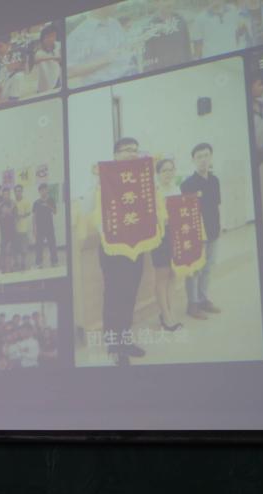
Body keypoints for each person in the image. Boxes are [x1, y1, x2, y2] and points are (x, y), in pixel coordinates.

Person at [98, 137, 147, 365]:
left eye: (135, 150)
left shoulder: (140, 180)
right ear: (116, 155)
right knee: (114, 296)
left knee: (130, 295)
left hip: (135, 247)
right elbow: (90, 210)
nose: (132, 154)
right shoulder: (103, 177)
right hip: (112, 248)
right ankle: (114, 347)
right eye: (127, 150)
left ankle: (125, 341)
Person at [180, 143, 221, 320]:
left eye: (206, 155)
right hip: (196, 233)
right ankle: (193, 304)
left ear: (211, 157)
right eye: (199, 157)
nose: (203, 160)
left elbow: (216, 206)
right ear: (193, 160)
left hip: (213, 231)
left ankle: (203, 299)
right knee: (195, 269)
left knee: (208, 268)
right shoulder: (187, 184)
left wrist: (219, 228)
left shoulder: (215, 180)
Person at [66, 6, 135, 87]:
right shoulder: (79, 34)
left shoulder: (115, 23)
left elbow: (123, 47)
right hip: (103, 87)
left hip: (129, 75)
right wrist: (104, 60)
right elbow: (69, 72)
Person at [150, 159, 183, 331]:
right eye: (164, 170)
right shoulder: (154, 192)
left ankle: (170, 311)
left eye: (171, 169)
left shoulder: (177, 189)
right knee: (162, 276)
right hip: (160, 237)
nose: (168, 173)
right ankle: (165, 315)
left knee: (173, 274)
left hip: (176, 235)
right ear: (157, 174)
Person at [141, 0, 192, 72]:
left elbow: (187, 48)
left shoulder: (181, 21)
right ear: (156, 3)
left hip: (183, 69)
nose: (169, 3)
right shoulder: (149, 28)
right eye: (165, 1)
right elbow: (148, 59)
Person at [33, 183, 58, 267]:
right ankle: (39, 263)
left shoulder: (51, 200)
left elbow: (55, 212)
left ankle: (54, 261)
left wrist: (48, 205)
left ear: (47, 190)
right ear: (39, 191)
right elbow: (34, 216)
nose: (43, 191)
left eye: (45, 189)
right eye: (41, 190)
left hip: (49, 226)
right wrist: (34, 228)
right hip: (40, 227)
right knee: (39, 246)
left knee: (52, 244)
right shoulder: (36, 202)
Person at [33, 24, 62, 93]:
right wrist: (52, 57)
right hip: (44, 85)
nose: (52, 39)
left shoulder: (58, 45)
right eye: (49, 36)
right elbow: (37, 59)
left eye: (54, 36)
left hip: (57, 79)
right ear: (43, 38)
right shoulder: (39, 51)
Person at [14, 185, 32, 270]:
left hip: (23, 228)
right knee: (16, 248)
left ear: (22, 191)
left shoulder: (26, 201)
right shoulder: (13, 202)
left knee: (24, 248)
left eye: (19, 191)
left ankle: (23, 263)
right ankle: (16, 263)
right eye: (16, 191)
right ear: (14, 192)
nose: (18, 192)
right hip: (14, 229)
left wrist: (20, 216)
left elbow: (28, 213)